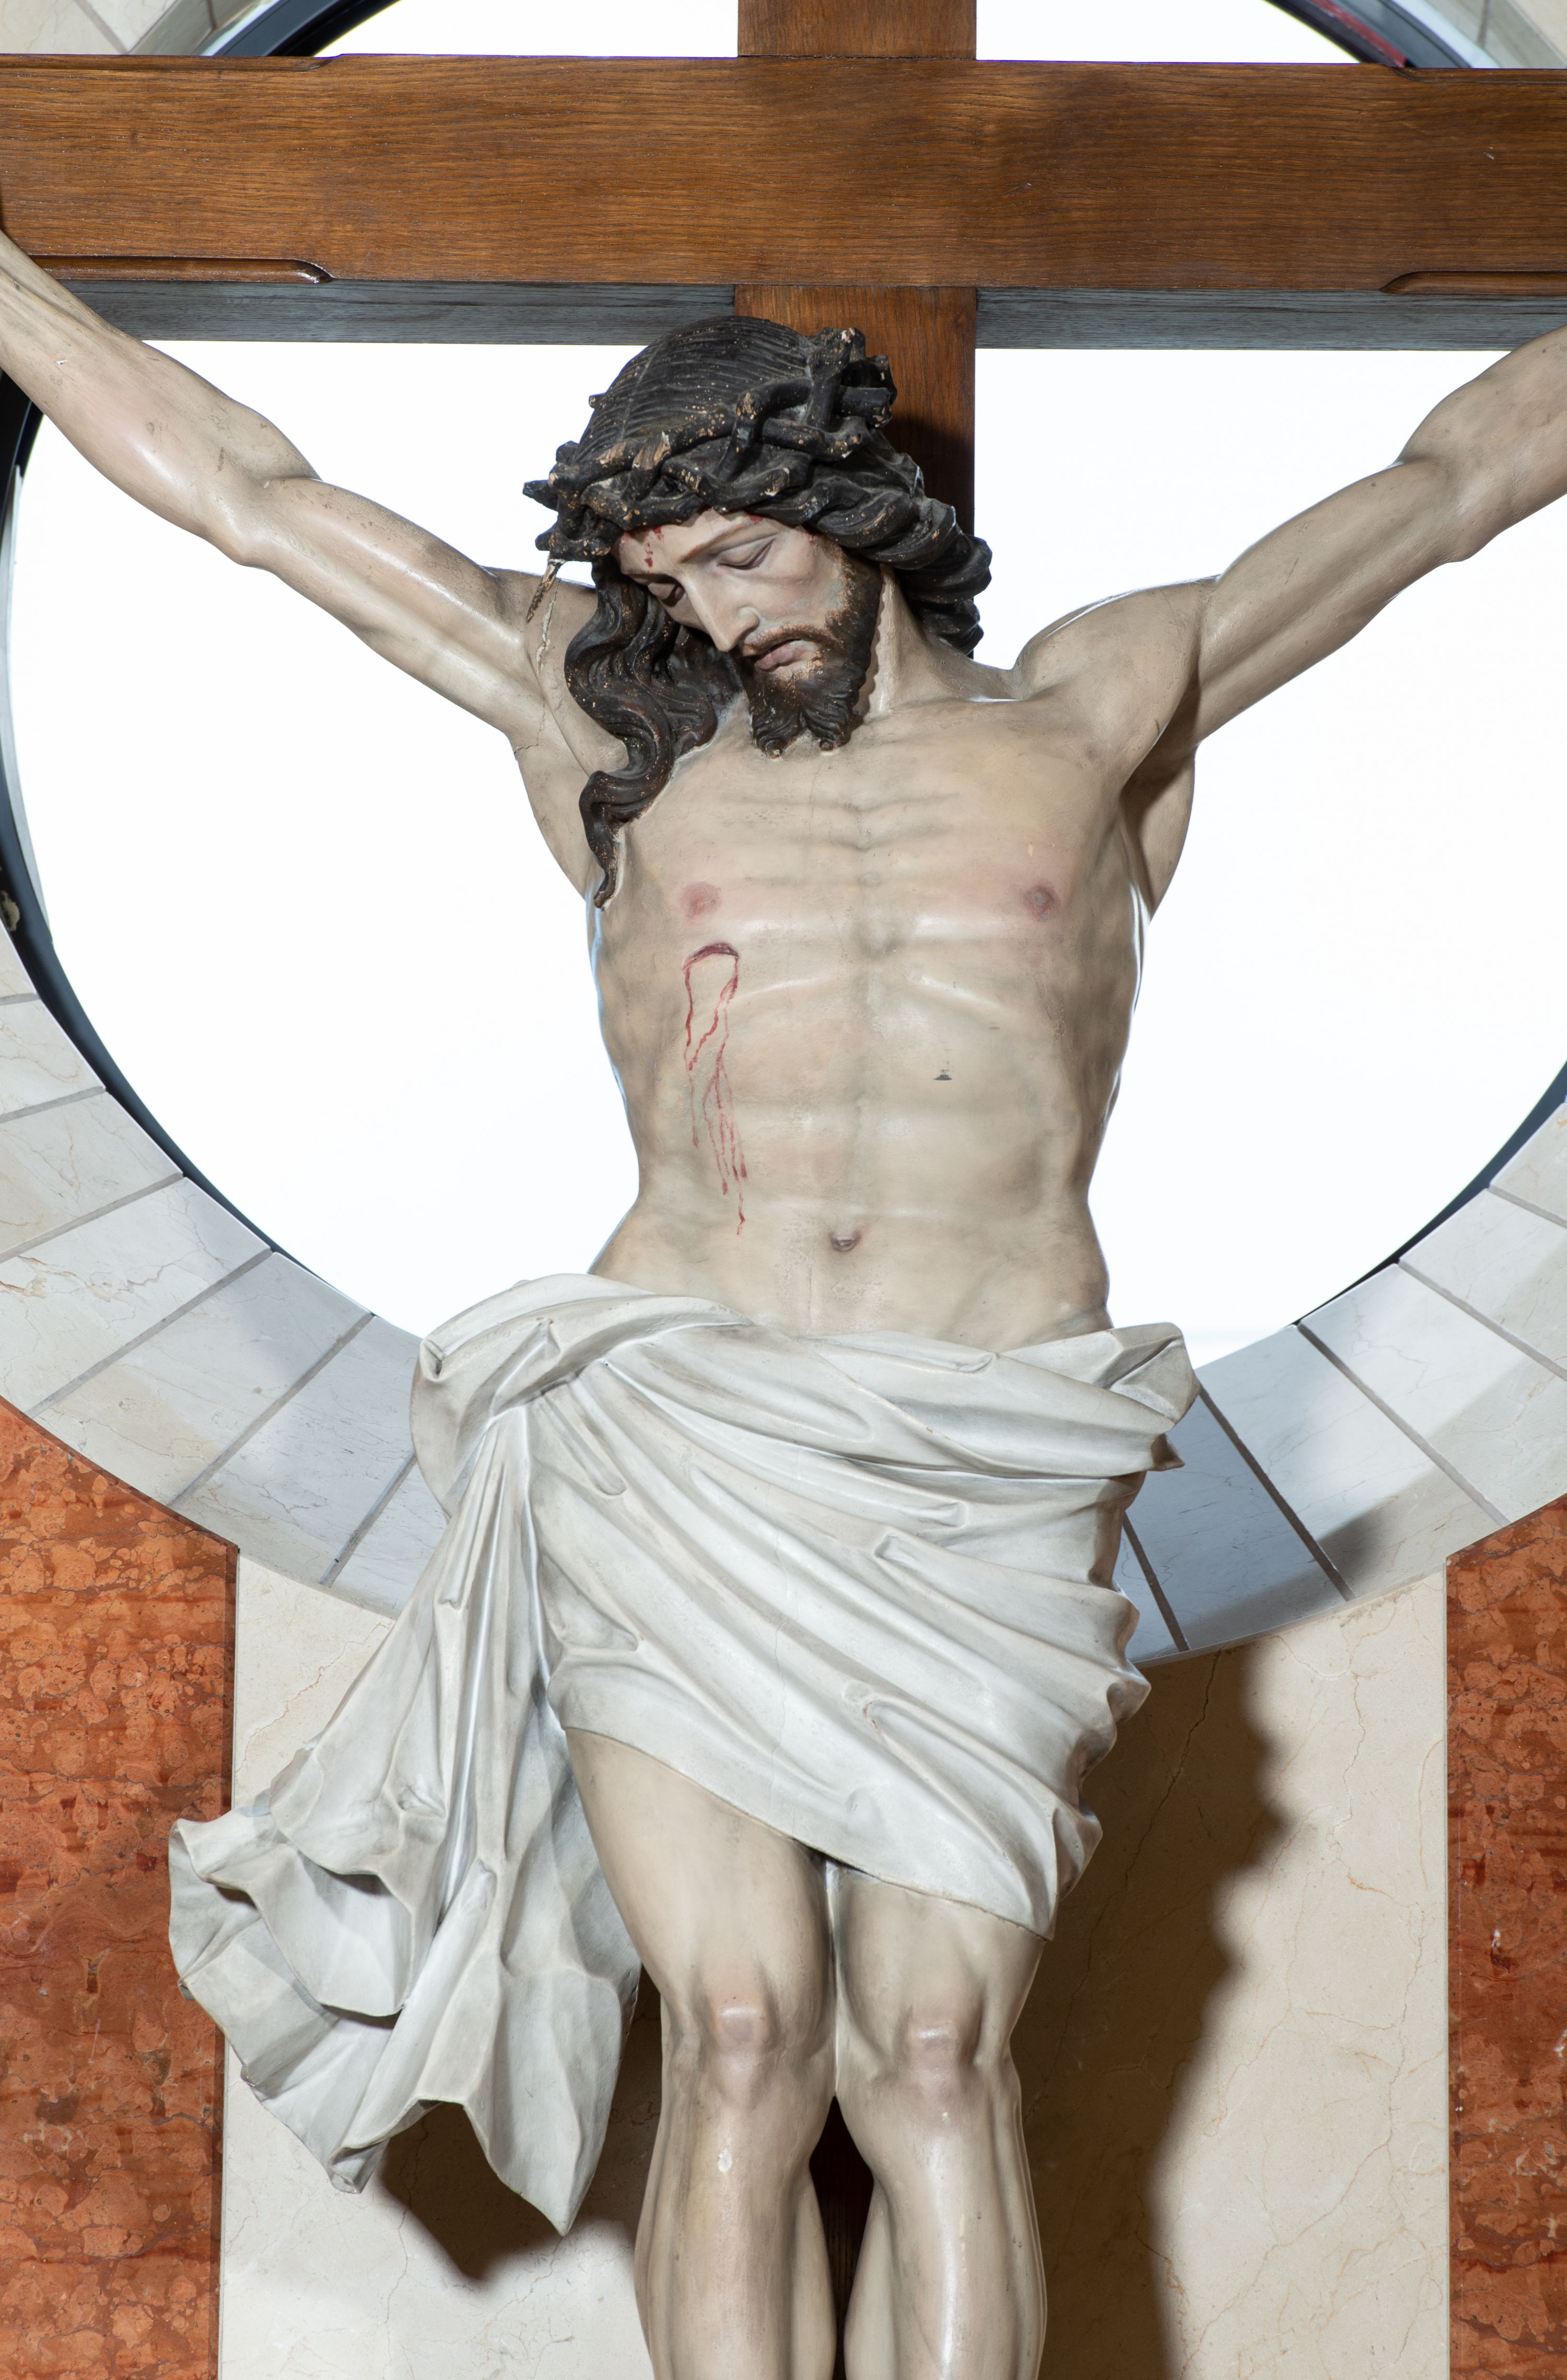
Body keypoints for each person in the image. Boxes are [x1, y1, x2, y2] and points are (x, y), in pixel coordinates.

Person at [3, 231, 1563, 2380]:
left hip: (985, 1449)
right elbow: (252, 497)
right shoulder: (608, 724)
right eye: (674, 583)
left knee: (931, 2049)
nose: (721, 618)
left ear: (854, 507)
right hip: (682, 1430)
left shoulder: (1104, 701)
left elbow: (1451, 484)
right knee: (739, 2032)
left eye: (746, 554)